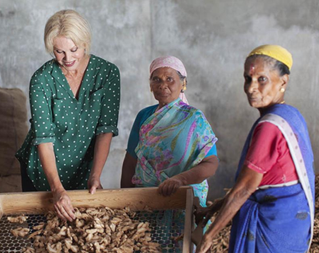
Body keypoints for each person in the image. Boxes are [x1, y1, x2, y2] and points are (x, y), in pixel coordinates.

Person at [196, 45, 315, 253]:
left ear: (283, 81)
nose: (251, 88)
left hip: (272, 228)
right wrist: (218, 206)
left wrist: (209, 235)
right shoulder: (291, 114)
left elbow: (245, 188)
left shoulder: (270, 126)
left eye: (262, 80)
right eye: (247, 79)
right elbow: (266, 179)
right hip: (292, 223)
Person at [16, 10, 120, 222]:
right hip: (42, 171)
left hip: (83, 168)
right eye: (59, 51)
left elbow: (105, 129)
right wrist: (56, 189)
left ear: (85, 43)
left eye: (74, 50)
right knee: (41, 235)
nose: (68, 58)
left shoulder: (107, 73)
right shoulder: (42, 80)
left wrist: (95, 175)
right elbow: (44, 138)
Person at [121, 56, 219, 240]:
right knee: (146, 245)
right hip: (147, 202)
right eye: (156, 79)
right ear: (150, 85)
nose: (162, 84)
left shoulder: (194, 118)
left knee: (179, 245)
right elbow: (130, 161)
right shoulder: (144, 116)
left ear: (183, 83)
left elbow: (211, 163)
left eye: (169, 79)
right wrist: (125, 202)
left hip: (182, 202)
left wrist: (180, 180)